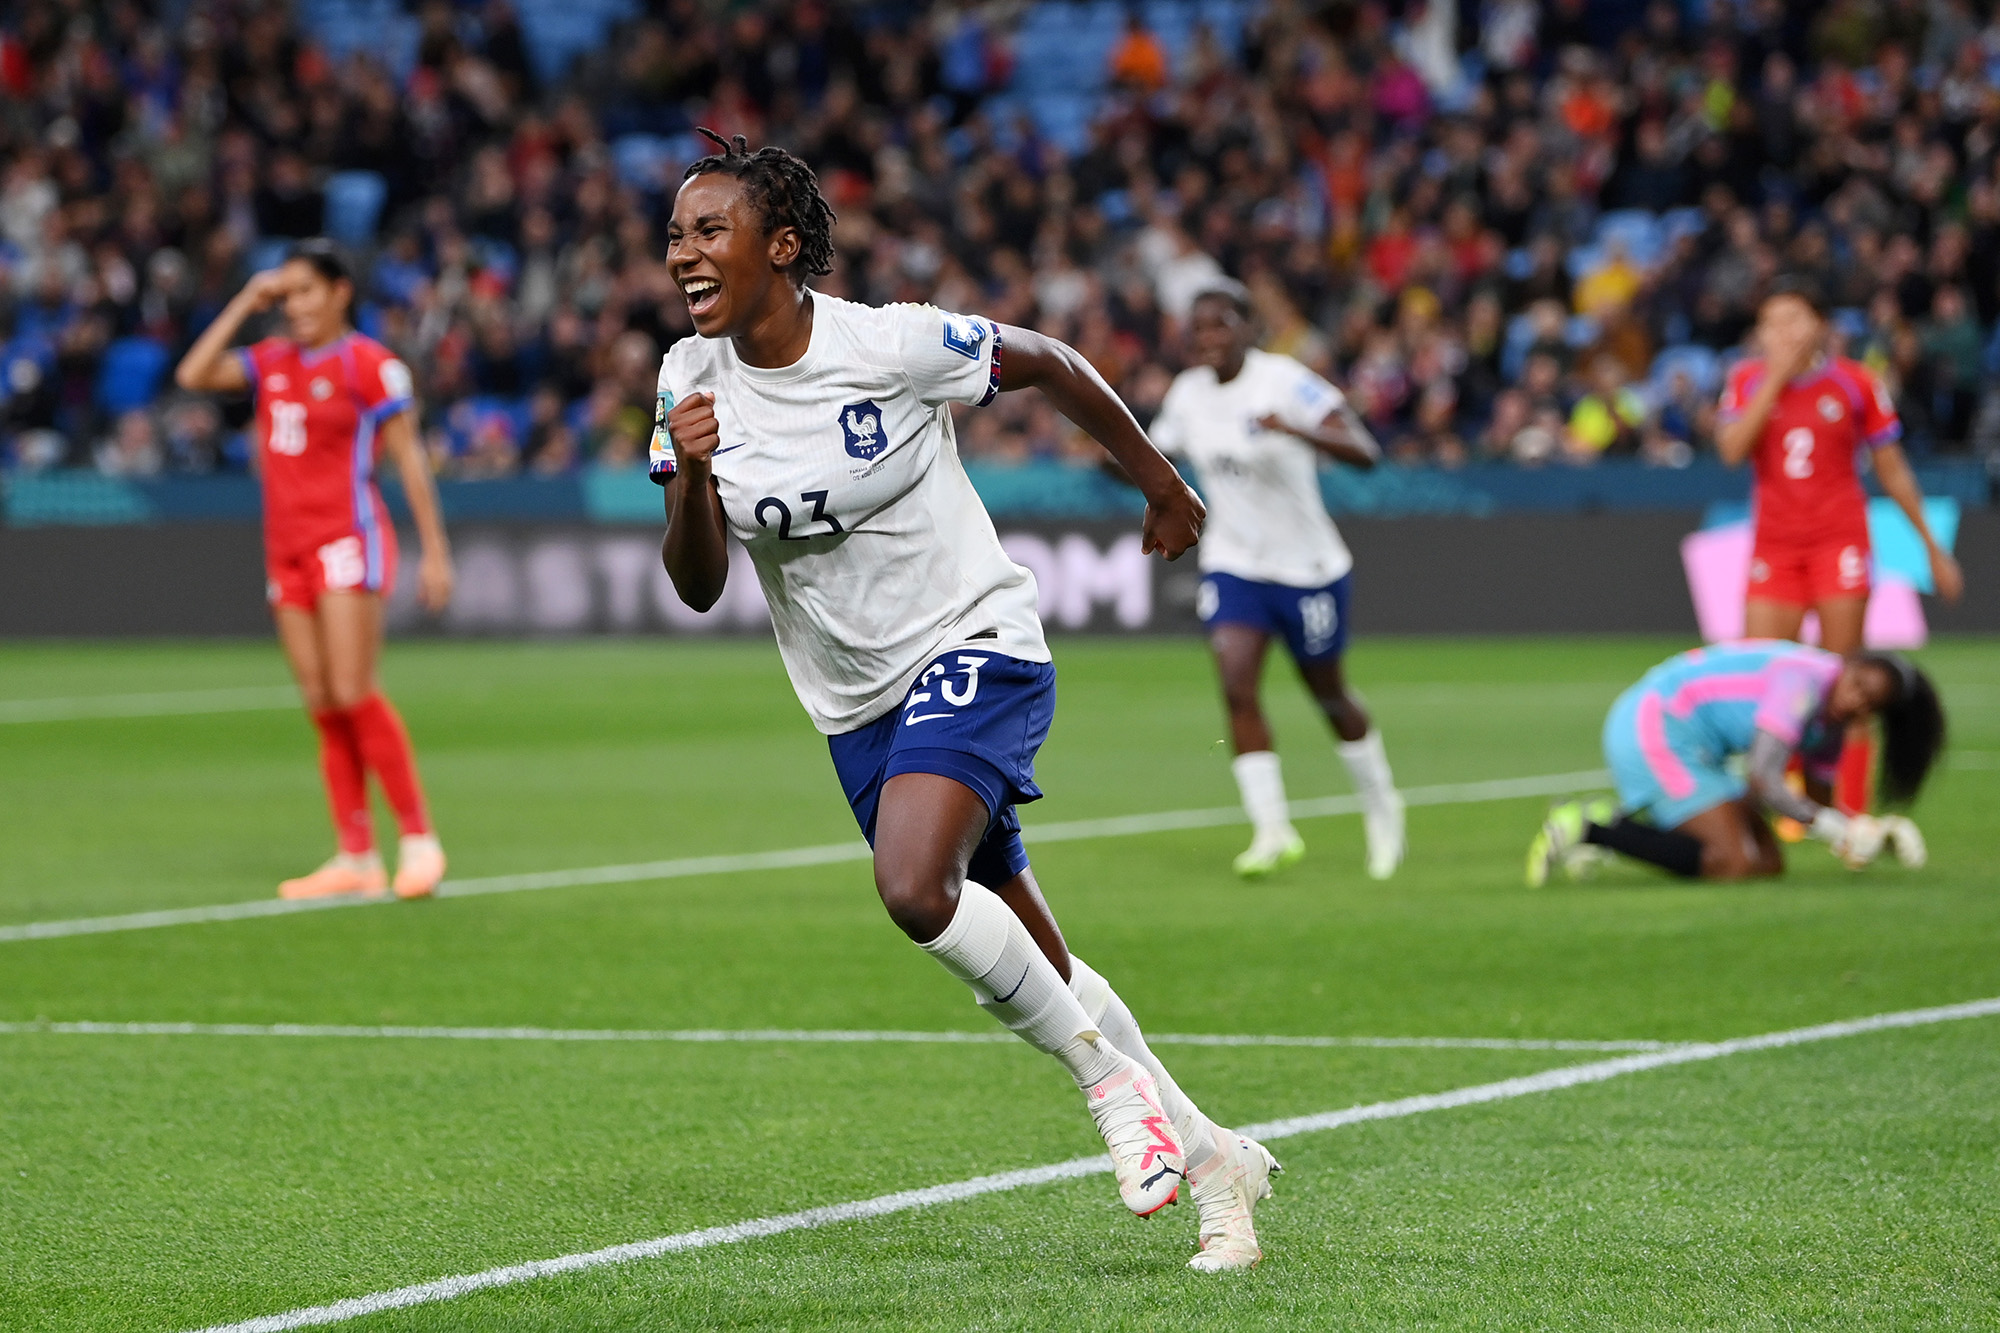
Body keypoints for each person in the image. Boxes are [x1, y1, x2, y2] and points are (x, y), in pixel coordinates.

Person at [653, 132, 1278, 1272]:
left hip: (974, 641)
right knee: (1036, 955)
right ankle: (1210, 1153)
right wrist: (689, 474)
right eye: (676, 235)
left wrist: (1163, 484)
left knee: (910, 887)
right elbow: (696, 582)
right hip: (855, 707)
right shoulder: (685, 381)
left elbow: (1045, 359)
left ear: (780, 246)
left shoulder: (886, 342)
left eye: (709, 231)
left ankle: (1105, 1092)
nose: (682, 252)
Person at [175, 240, 453, 900]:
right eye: (286, 292)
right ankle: (355, 857)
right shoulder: (271, 361)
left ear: (338, 292)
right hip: (287, 548)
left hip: (346, 539)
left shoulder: (369, 365)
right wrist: (247, 298)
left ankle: (419, 840)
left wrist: (436, 550)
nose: (294, 305)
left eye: (305, 291)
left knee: (355, 689)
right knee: (322, 702)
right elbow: (194, 373)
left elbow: (409, 460)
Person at [1146, 281, 1406, 880]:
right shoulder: (1187, 394)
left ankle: (1382, 808)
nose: (1208, 338)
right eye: (1199, 328)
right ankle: (1272, 831)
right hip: (1236, 563)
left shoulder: (1284, 382)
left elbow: (1364, 450)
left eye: (1220, 325)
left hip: (1309, 569)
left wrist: (1295, 429)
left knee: (1329, 696)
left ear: (1247, 328)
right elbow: (1156, 457)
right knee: (1236, 684)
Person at [1715, 276, 1963, 814]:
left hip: (1839, 544)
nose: (1781, 332)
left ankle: (1848, 815)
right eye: (1771, 322)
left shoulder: (1855, 383)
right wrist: (1777, 378)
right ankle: (1774, 809)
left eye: (1793, 319)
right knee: (1764, 682)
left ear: (1820, 325)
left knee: (1845, 683)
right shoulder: (1746, 381)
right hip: (1775, 547)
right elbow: (1733, 449)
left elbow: (1892, 470)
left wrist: (1931, 548)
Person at [1526, 641, 1944, 885]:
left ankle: (1624, 823)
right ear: (1849, 666)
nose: (1854, 701)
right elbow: (1764, 778)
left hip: (1701, 750)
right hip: (1655, 724)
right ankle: (1594, 828)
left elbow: (1815, 807)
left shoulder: (1835, 725)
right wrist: (1838, 827)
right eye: (1856, 686)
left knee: (1769, 866)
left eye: (1868, 704)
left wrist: (1864, 834)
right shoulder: (1802, 685)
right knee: (1733, 863)